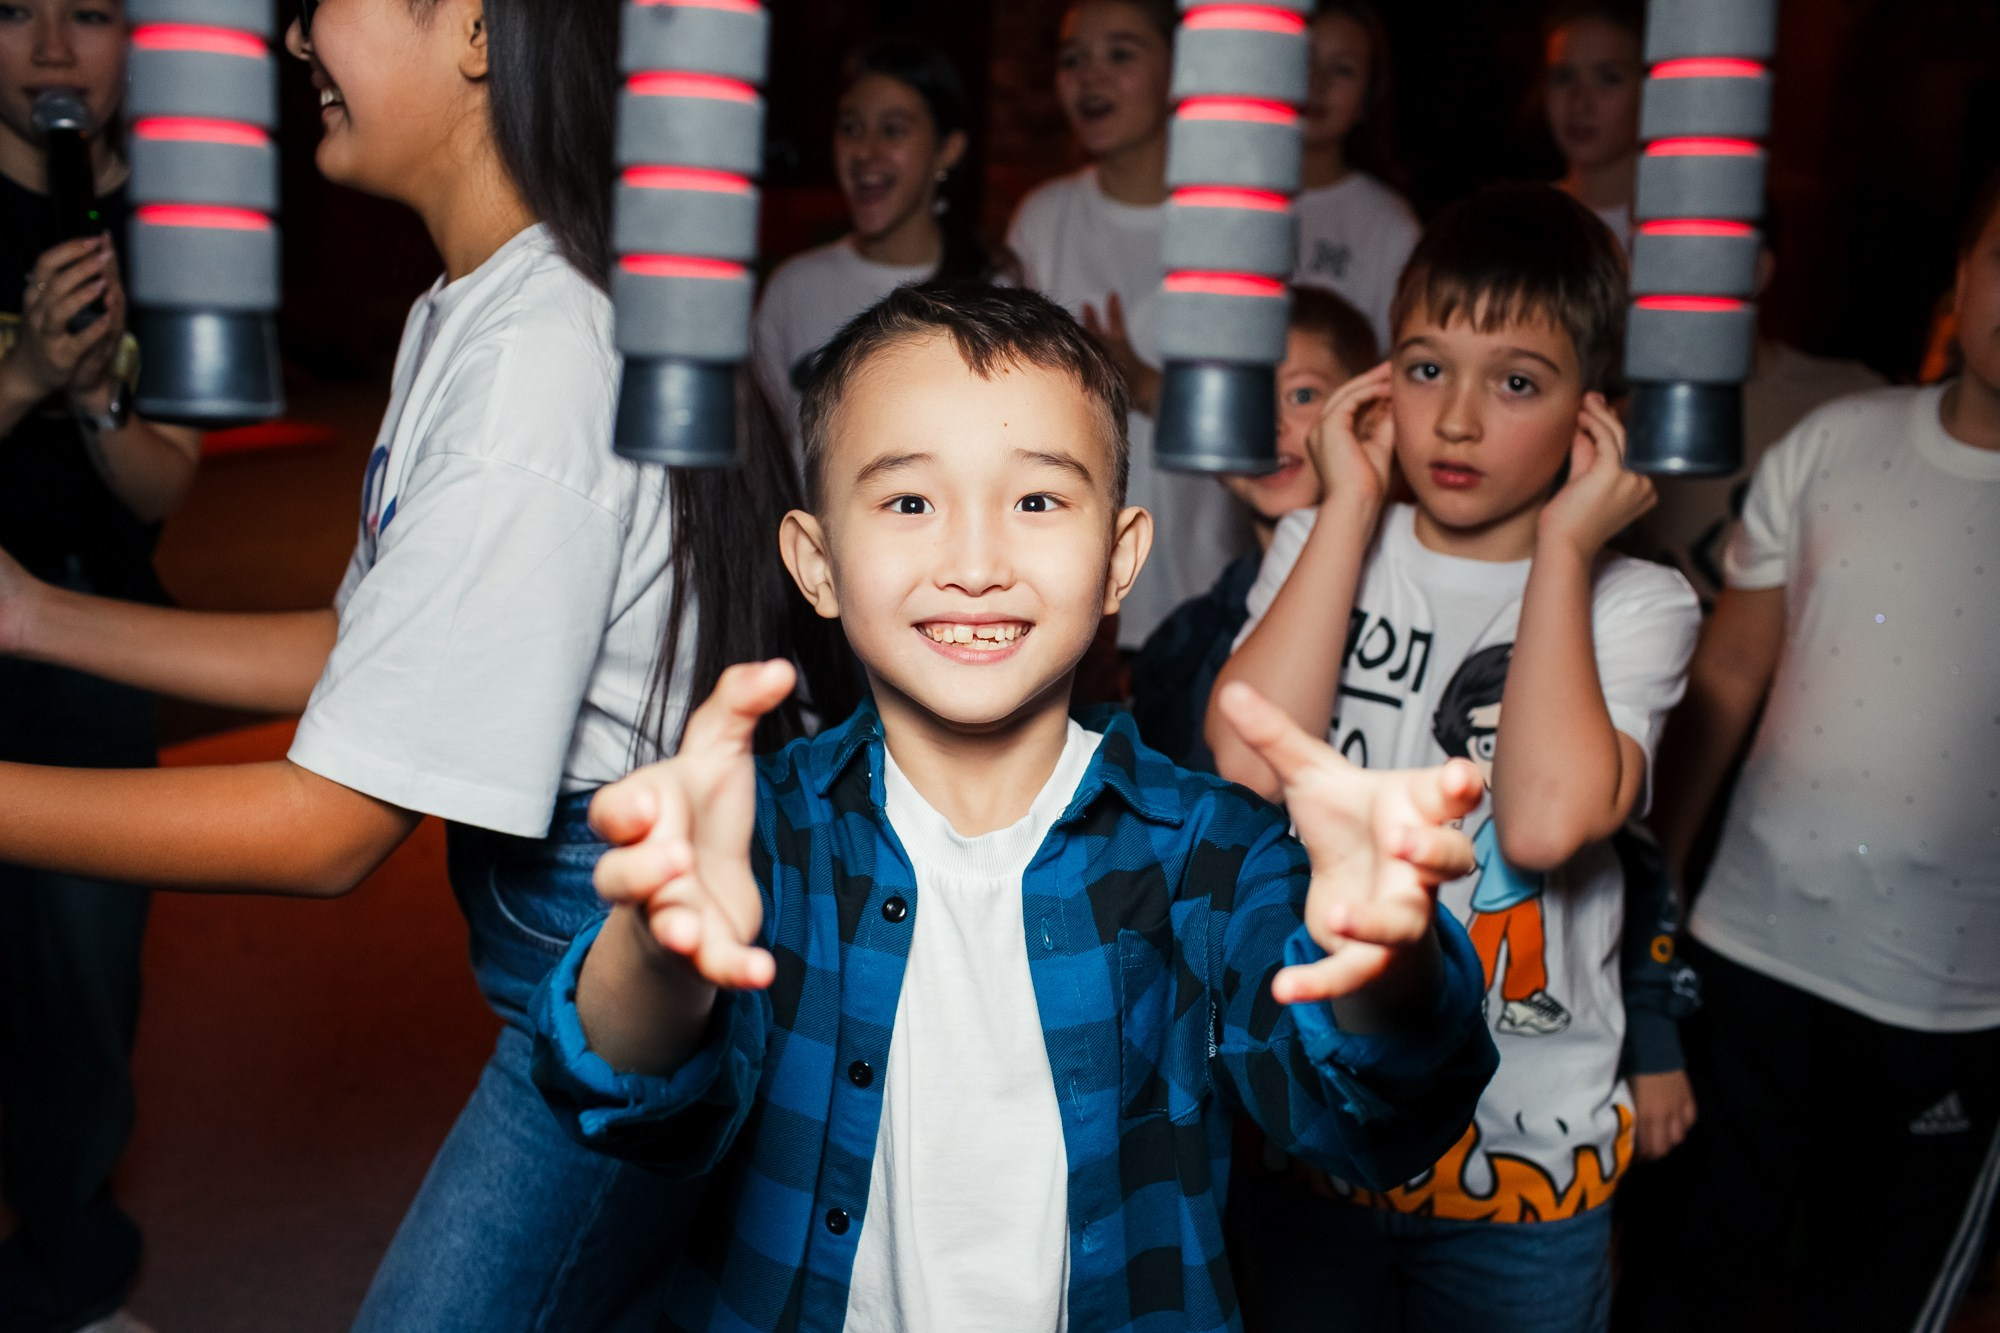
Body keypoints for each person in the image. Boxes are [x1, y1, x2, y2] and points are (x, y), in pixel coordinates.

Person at [0, 0, 842, 1327]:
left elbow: (332, 823)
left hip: (623, 971)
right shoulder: (474, 305)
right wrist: (40, 617)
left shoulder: (537, 355)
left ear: (472, 32)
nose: (289, 44)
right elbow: (381, 648)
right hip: (587, 952)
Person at [529, 284, 1501, 1332]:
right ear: (816, 564)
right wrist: (657, 951)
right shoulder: (761, 836)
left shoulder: (1209, 848)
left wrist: (1388, 963)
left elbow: (1368, 1117)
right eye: (909, 502)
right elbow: (624, 1101)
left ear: (1119, 560)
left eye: (1036, 501)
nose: (977, 564)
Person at [1209, 185, 1701, 1331]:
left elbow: (1537, 825)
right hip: (1318, 1121)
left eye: (1517, 382)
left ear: (1596, 416)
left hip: (1523, 1167)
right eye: (1426, 369)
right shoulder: (1318, 540)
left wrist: (1565, 549)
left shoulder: (1638, 603)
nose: (1459, 420)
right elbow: (1241, 759)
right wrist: (1344, 503)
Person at [1619, 174, 2000, 1333]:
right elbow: (1729, 675)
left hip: (1950, 1004)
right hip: (1745, 955)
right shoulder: (1837, 440)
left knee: (1876, 1298)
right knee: (1685, 1277)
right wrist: (1656, 898)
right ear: (1961, 273)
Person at [0, 1, 206, 1328]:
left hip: (91, 635)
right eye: (16, 13)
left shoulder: (186, 228)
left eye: (90, 14)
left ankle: (69, 1271)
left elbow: (161, 481)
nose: (55, 49)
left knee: (83, 987)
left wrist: (89, 393)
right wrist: (19, 373)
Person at [1006, 0, 1256, 650]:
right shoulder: (1044, 217)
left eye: (1120, 54)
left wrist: (1141, 380)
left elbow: (1273, 412)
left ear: (1178, 71)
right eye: (1072, 60)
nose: (1091, 77)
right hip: (1065, 593)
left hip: (1202, 589)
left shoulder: (1226, 219)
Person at [1130, 285, 1377, 771]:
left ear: (1370, 411)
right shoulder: (1184, 647)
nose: (1271, 426)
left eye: (1302, 395)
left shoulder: (1401, 590)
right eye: (1246, 402)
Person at [750, 36, 1010, 463]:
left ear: (947, 149)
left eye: (893, 130)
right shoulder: (794, 289)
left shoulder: (995, 290)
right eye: (851, 128)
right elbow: (765, 462)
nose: (865, 151)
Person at [1623, 222, 1886, 606]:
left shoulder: (1852, 400)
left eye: (1700, 256)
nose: (1677, 279)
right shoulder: (1616, 423)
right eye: (1653, 256)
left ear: (1757, 270)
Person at [1291, 1, 1421, 351]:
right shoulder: (1221, 194)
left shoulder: (1388, 225)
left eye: (1342, 70)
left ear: (1367, 98)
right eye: (1304, 58)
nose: (1316, 83)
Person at [1544, 1, 1644, 254]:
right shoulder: (1517, 226)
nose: (1580, 103)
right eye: (1564, 78)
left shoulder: (1687, 227)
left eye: (1609, 78)